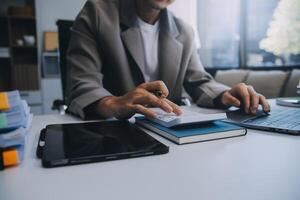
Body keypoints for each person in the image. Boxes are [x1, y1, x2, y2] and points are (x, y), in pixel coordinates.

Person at [67, 0, 270, 119]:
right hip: (114, 132)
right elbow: (83, 82)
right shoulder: (97, 13)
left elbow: (199, 80)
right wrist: (112, 103)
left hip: (168, 130)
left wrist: (225, 94)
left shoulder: (184, 31)